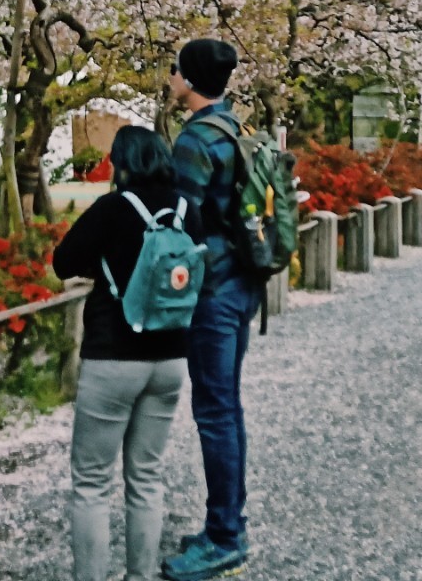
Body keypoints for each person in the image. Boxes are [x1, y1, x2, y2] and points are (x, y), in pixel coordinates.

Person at [53, 127, 201, 581]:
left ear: (122, 162)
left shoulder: (114, 209)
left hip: (113, 357)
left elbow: (63, 262)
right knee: (146, 478)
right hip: (171, 360)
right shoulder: (185, 209)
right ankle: (141, 576)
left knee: (93, 484)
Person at [165, 38, 258, 580]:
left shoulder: (195, 139)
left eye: (175, 70)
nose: (170, 76)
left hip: (213, 292)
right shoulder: (237, 128)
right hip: (243, 283)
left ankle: (225, 535)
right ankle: (226, 521)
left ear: (189, 78)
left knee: (216, 411)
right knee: (228, 407)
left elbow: (185, 222)